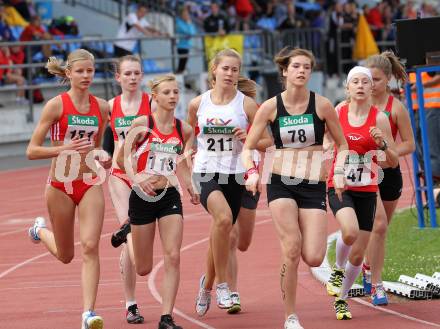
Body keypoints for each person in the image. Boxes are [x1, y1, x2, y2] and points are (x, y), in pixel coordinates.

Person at [242, 47, 348, 329]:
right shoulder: (270, 107)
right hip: (281, 182)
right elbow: (249, 147)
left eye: (307, 67)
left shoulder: (323, 105)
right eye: (296, 66)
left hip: (313, 184)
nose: (302, 71)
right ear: (285, 71)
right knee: (291, 248)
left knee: (313, 256)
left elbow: (343, 144)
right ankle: (290, 316)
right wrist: (252, 172)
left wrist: (338, 170)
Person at [26, 49, 111, 329]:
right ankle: (39, 231)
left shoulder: (100, 107)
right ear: (69, 74)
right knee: (66, 255)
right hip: (60, 185)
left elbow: (97, 143)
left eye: (90, 71)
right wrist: (64, 148)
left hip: (88, 183)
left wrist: (101, 154)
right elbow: (32, 150)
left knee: (90, 246)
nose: (86, 76)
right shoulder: (56, 106)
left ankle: (88, 313)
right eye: (80, 71)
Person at [190, 48, 269, 316]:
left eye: (235, 69)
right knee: (223, 221)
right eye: (225, 68)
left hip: (238, 173)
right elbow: (192, 137)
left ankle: (206, 284)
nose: (230, 74)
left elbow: (267, 141)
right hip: (206, 171)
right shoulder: (198, 104)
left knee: (235, 237)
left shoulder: (245, 104)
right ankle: (224, 286)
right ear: (214, 69)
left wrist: (247, 137)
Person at [117, 74, 198, 329]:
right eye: (167, 92)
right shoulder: (142, 124)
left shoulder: (183, 129)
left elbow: (182, 162)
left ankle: (166, 317)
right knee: (143, 268)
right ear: (155, 96)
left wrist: (190, 185)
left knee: (173, 256)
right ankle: (128, 233)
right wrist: (138, 178)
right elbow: (123, 158)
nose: (173, 96)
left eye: (176, 92)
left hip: (169, 196)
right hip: (142, 196)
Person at [325, 66, 398, 320]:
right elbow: (326, 142)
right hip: (340, 185)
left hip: (367, 189)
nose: (359, 86)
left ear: (371, 87)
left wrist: (383, 145)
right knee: (349, 231)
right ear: (347, 87)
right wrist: (330, 155)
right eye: (354, 81)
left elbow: (393, 161)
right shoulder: (338, 112)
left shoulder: (379, 118)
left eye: (364, 82)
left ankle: (342, 299)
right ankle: (336, 269)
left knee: (358, 254)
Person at [360, 51, 416, 305]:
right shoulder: (356, 104)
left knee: (380, 230)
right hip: (364, 173)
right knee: (378, 225)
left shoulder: (396, 108)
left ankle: (367, 265)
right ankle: (376, 284)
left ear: (389, 80)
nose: (371, 85)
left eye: (377, 80)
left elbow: (410, 144)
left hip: (389, 173)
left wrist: (388, 150)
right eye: (367, 79)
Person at [107, 55, 151, 324]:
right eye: (128, 74)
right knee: (130, 234)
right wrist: (101, 152)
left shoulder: (151, 103)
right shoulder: (110, 105)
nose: (133, 78)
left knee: (135, 243)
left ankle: (128, 234)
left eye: (137, 73)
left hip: (146, 177)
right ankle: (131, 303)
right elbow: (105, 137)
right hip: (120, 175)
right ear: (118, 78)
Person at [175, 5, 197, 74]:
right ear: (181, 15)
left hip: (187, 45)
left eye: (187, 14)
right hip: (181, 46)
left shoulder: (188, 22)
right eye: (184, 14)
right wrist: (188, 24)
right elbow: (187, 32)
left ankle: (178, 76)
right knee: (181, 65)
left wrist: (189, 23)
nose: (186, 16)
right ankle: (177, 76)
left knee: (183, 65)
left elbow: (193, 33)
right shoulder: (178, 22)